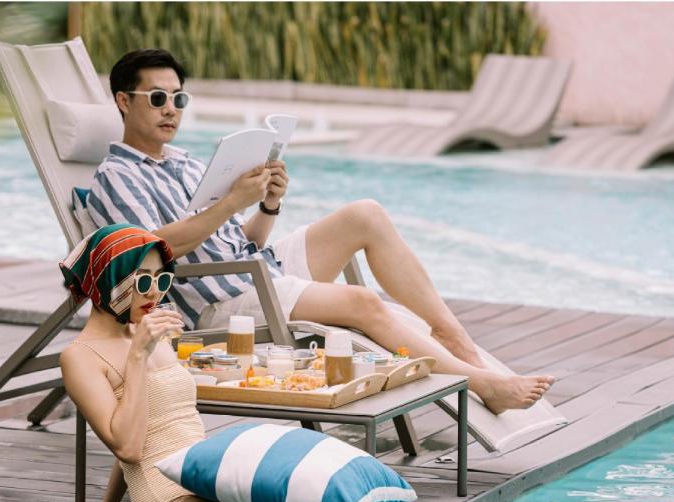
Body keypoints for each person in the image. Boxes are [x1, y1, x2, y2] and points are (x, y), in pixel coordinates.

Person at [55, 223, 496, 502]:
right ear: (108, 281)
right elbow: (130, 447)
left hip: (198, 483)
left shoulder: (146, 335)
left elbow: (153, 427)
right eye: (143, 282)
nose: (155, 292)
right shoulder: (82, 358)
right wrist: (138, 357)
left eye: (162, 279)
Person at [76, 48, 555, 414]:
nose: (170, 109)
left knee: (365, 214)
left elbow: (245, 243)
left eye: (178, 98)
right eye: (157, 98)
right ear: (124, 101)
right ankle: (481, 384)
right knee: (363, 304)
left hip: (254, 270)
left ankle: (453, 335)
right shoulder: (117, 177)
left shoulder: (185, 162)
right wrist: (231, 203)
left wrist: (268, 203)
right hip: (219, 299)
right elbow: (153, 254)